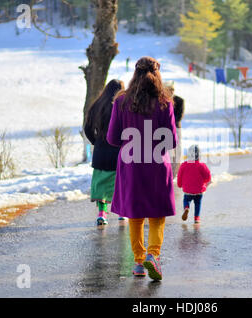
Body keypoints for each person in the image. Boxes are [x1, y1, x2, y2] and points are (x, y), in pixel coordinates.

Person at [107, 56, 177, 280]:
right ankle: (153, 255)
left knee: (135, 214)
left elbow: (112, 138)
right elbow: (172, 141)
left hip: (132, 166)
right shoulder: (165, 102)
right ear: (157, 75)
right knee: (157, 215)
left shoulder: (121, 101)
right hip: (157, 165)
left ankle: (138, 262)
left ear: (134, 74)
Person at [84, 79, 125, 226]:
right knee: (121, 183)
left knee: (101, 184)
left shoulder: (97, 105)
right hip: (119, 151)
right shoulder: (122, 106)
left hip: (101, 152)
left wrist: (96, 142)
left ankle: (102, 213)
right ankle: (122, 212)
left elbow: (87, 128)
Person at [177, 145, 211, 224]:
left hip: (188, 190)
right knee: (198, 203)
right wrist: (204, 182)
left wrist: (179, 185)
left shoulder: (184, 165)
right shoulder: (202, 165)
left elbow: (179, 177)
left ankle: (186, 208)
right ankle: (196, 218)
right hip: (199, 190)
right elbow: (208, 177)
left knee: (186, 200)